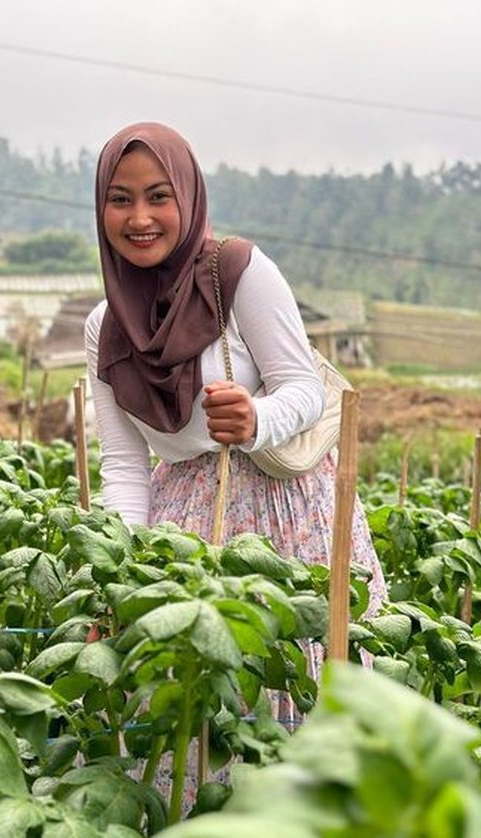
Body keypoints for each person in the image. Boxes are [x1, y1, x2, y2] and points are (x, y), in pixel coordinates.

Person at [84, 120, 386, 790]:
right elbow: (125, 467)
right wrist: (119, 578)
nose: (140, 218)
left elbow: (304, 388)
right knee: (201, 710)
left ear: (188, 198)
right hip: (185, 527)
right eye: (121, 198)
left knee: (297, 694)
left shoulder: (239, 273)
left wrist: (254, 419)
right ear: (100, 207)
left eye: (159, 196)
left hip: (284, 518)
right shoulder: (103, 328)